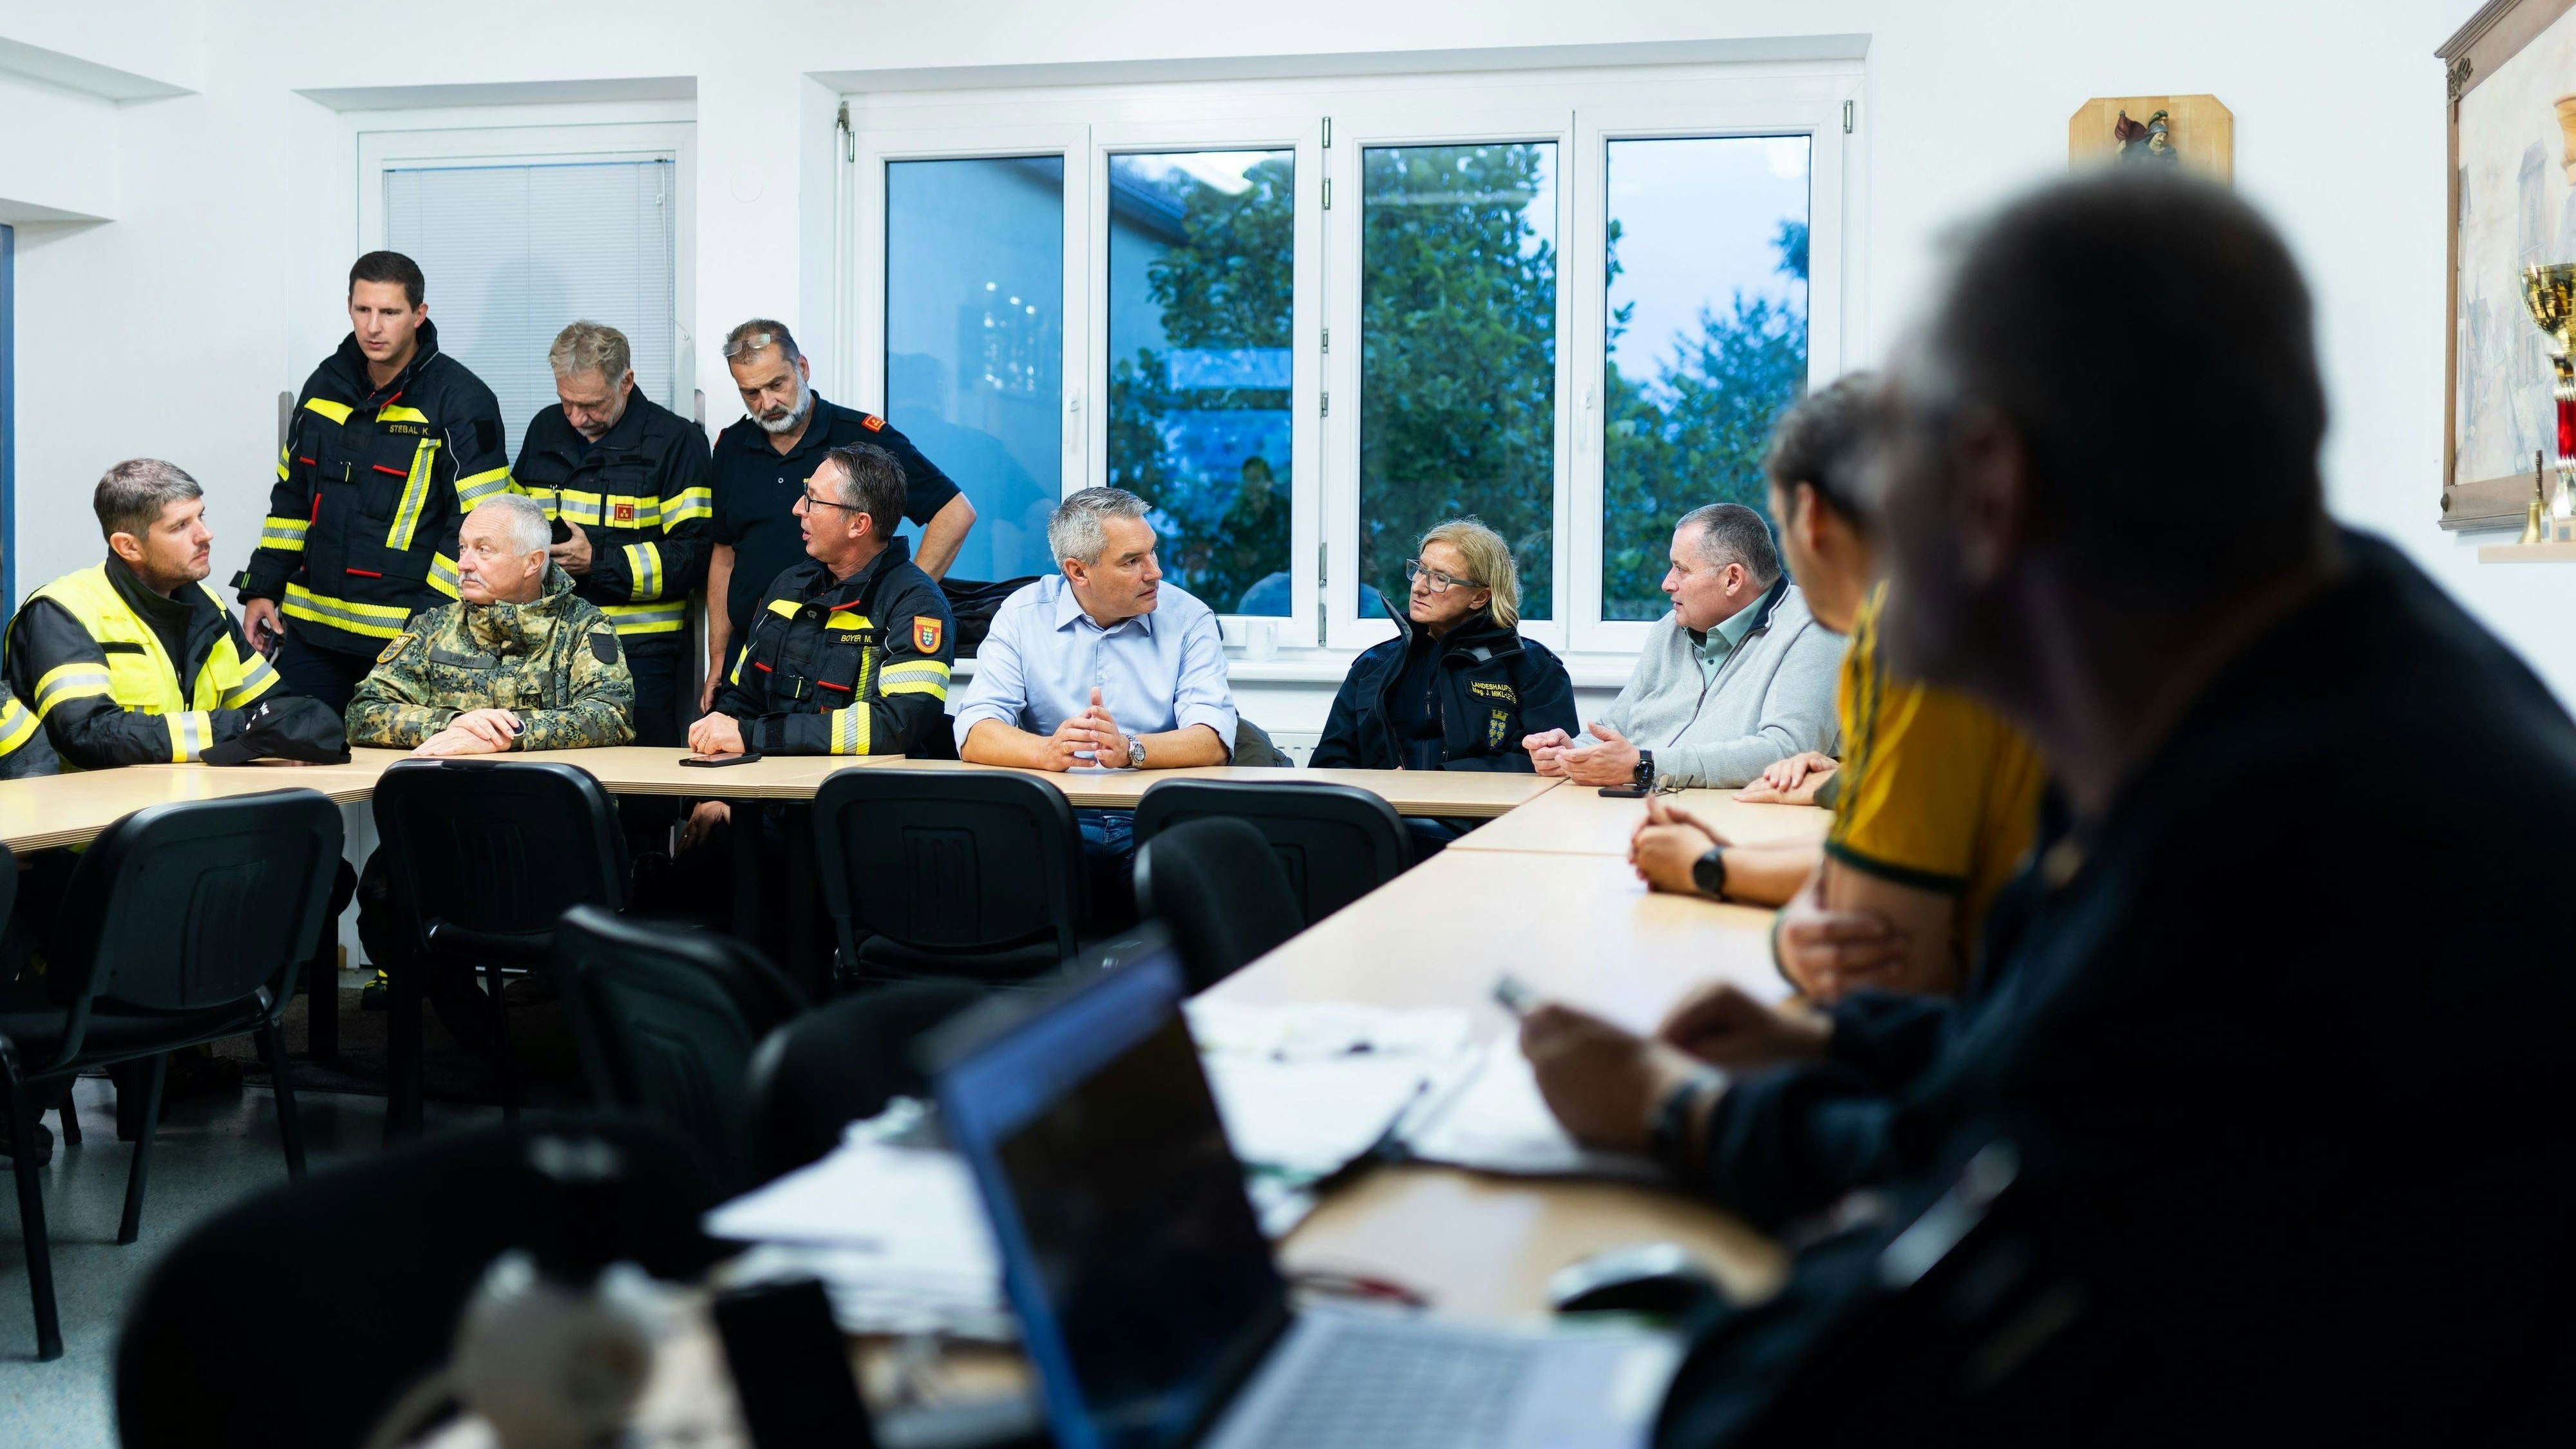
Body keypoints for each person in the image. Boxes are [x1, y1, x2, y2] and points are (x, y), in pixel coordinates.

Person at [1520, 172, 2576, 1438]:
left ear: (1985, 485)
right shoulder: (2306, 665)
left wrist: (1675, 1109)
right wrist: (1831, 1047)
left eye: (1891, 454)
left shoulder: (2277, 858)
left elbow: (1857, 1368)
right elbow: (2026, 1078)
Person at [1627, 377, 2048, 999]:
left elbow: (1884, 949)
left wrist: (1707, 868)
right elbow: (1874, 861)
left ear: (1812, 517)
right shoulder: (1992, 609)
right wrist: (1727, 856)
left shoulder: (1911, 642)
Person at [238, 251, 513, 714]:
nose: (373, 327)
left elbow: (479, 525)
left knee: (403, 778)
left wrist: (428, 627)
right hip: (312, 632)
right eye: (363, 310)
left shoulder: (463, 400)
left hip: (406, 641)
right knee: (297, 764)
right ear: (349, 307)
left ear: (419, 315)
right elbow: (291, 499)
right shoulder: (323, 385)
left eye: (389, 312)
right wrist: (263, 586)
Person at [952, 486, 1235, 918]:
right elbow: (974, 731)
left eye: (1152, 554)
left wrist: (1131, 750)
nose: (1155, 573)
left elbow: (1213, 740)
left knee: (1180, 912)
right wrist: (1045, 751)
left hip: (1153, 821)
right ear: (1078, 572)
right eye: (1132, 561)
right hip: (1055, 820)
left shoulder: (1189, 618)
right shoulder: (1023, 614)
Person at [682, 443, 954, 840]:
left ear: (858, 525)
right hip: (769, 808)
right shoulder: (789, 585)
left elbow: (896, 725)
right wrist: (715, 794)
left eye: (813, 500)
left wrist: (753, 737)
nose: (797, 508)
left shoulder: (915, 603)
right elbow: (740, 700)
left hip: (860, 820)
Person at [703, 319, 976, 711]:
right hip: (751, 661)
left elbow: (955, 512)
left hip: (832, 660)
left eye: (777, 385)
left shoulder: (861, 437)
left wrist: (896, 601)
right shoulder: (731, 447)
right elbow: (725, 555)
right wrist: (717, 659)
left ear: (803, 368)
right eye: (751, 393)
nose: (766, 403)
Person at [1522, 504, 1839, 790]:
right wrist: (1572, 752)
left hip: (1740, 827)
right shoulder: (1670, 628)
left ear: (1732, 579)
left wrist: (1644, 765)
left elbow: (1786, 751)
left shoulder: (1815, 628)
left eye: (1681, 569)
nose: (1666, 583)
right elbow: (1615, 728)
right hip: (1644, 811)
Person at [1312, 518, 1577, 851]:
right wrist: (1379, 787)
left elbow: (1549, 766)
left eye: (1441, 579)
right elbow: (1328, 765)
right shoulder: (1373, 666)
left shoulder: (1532, 667)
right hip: (1384, 822)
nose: (1420, 586)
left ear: (1480, 597)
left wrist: (1433, 780)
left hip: (1490, 830)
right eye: (1420, 570)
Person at [510, 321, 712, 748]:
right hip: (547, 647)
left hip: (638, 654)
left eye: (593, 405)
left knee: (637, 794)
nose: (578, 418)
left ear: (627, 382)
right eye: (567, 402)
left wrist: (598, 563)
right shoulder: (545, 429)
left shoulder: (676, 442)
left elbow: (693, 557)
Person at [8, 459, 286, 768]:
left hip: (197, 804)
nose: (206, 534)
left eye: (201, 516)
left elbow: (284, 711)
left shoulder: (210, 608)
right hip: (99, 812)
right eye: (180, 526)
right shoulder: (62, 612)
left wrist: (272, 726)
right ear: (129, 547)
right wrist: (243, 727)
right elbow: (87, 734)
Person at [344, 492, 634, 755]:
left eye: (483, 550)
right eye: (462, 548)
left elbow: (611, 714)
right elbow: (363, 712)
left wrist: (512, 733)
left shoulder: (582, 626)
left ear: (532, 563)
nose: (463, 564)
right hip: (448, 798)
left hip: (545, 802)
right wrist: (452, 725)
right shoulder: (431, 627)